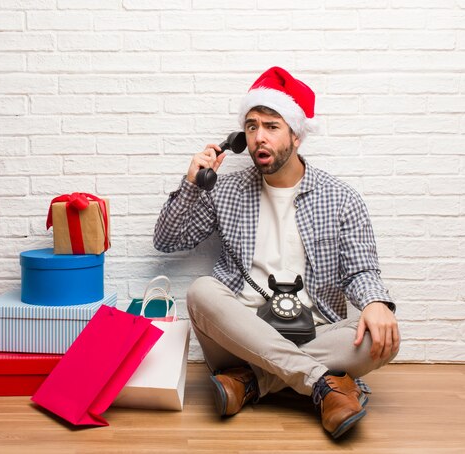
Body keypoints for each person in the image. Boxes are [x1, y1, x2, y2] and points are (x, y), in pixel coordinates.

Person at [153, 67, 400, 439]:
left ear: (296, 136)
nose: (258, 137)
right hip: (241, 337)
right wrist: (192, 183)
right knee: (201, 291)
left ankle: (253, 382)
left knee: (381, 338)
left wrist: (375, 303)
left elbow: (361, 272)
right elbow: (167, 240)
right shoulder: (226, 190)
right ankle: (323, 384)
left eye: (271, 126)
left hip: (314, 332)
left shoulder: (341, 198)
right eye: (251, 127)